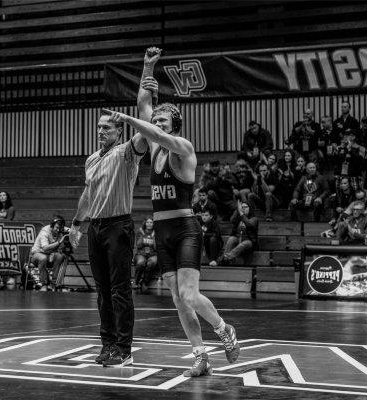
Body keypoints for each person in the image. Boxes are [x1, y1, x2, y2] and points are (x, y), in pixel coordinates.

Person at [100, 46, 240, 377]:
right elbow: (143, 105)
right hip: (162, 232)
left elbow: (151, 127)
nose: (154, 124)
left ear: (173, 126)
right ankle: (200, 354)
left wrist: (133, 120)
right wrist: (148, 65)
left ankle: (224, 330)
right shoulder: (155, 147)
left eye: (162, 121)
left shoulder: (183, 148)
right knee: (177, 299)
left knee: (191, 295)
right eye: (155, 120)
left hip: (186, 228)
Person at [68, 106, 148, 368]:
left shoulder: (126, 153)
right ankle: (108, 344)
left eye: (107, 128)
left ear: (119, 131)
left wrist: (146, 75)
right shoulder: (91, 159)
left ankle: (124, 348)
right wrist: (77, 224)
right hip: (96, 227)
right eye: (99, 128)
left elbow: (146, 127)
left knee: (120, 290)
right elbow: (88, 195)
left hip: (118, 226)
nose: (101, 131)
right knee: (102, 291)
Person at [29, 215, 68, 291]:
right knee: (43, 258)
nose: (58, 230)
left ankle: (53, 284)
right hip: (37, 254)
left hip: (50, 255)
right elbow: (45, 248)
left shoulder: (60, 229)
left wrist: (72, 233)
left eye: (60, 228)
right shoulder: (45, 231)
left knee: (60, 256)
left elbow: (74, 232)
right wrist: (59, 242)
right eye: (56, 228)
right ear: (51, 226)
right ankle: (44, 283)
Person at [218, 201, 258, 265]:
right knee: (232, 239)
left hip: (249, 242)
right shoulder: (239, 218)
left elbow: (249, 224)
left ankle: (226, 257)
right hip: (238, 239)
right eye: (242, 207)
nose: (243, 208)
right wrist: (237, 209)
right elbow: (232, 220)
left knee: (245, 243)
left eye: (246, 207)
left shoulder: (254, 219)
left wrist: (242, 214)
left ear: (250, 208)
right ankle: (225, 259)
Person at [132, 217, 157, 290]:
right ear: (145, 223)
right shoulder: (140, 231)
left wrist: (154, 237)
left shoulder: (156, 232)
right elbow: (139, 245)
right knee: (141, 262)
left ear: (153, 224)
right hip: (141, 254)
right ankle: (136, 281)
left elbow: (156, 248)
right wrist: (143, 236)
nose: (149, 224)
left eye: (151, 222)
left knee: (152, 262)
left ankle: (145, 282)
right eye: (147, 222)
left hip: (153, 254)